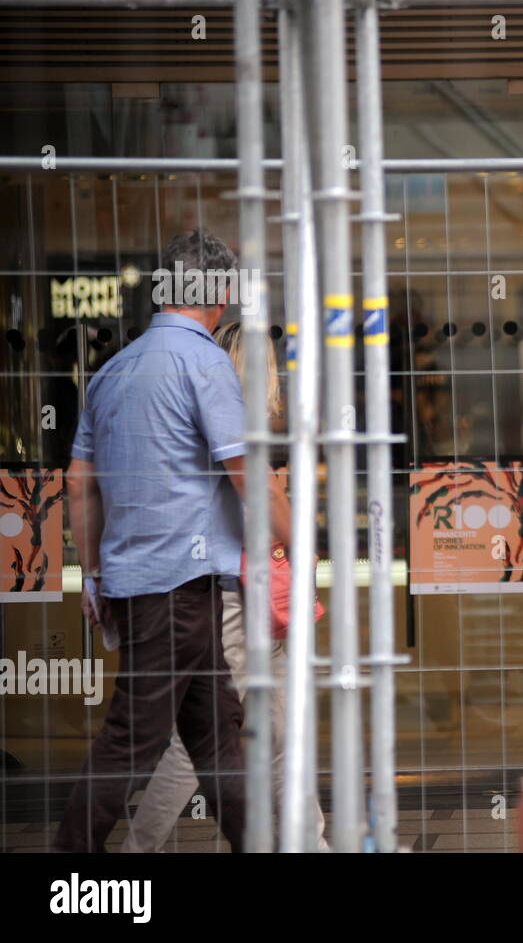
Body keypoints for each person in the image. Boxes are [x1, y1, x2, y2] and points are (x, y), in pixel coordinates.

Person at [55, 229, 293, 852]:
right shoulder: (205, 362)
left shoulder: (111, 372)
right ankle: (67, 860)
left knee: (215, 732)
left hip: (143, 587)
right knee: (133, 736)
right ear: (216, 291)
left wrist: (95, 576)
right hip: (179, 589)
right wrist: (302, 544)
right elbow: (249, 475)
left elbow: (80, 484)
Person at [120, 322, 328, 852]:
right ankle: (135, 850)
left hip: (251, 596)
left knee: (282, 735)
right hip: (231, 597)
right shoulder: (224, 424)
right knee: (199, 743)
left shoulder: (217, 422)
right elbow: (263, 499)